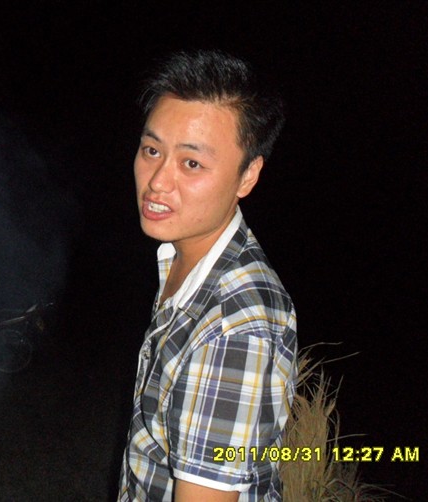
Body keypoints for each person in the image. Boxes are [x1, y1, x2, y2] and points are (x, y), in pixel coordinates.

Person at [119, 49, 298, 501]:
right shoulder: (185, 258)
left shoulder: (234, 329)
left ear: (247, 176)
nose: (158, 181)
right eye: (152, 150)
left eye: (191, 163)